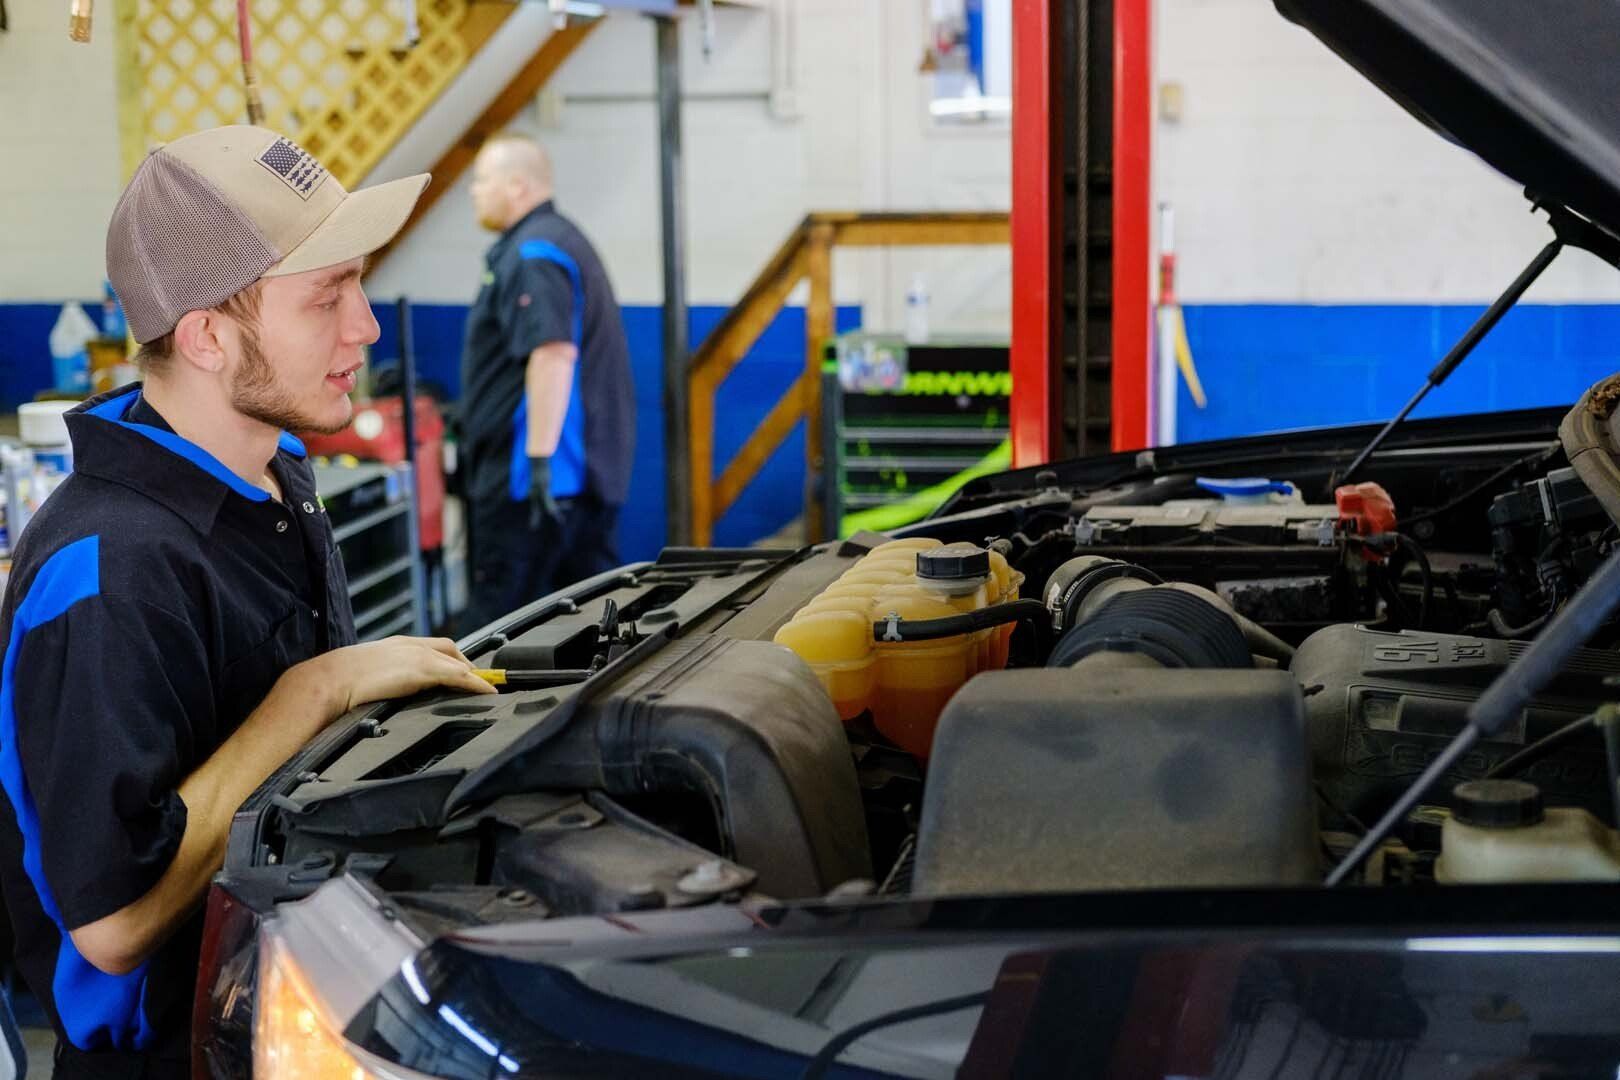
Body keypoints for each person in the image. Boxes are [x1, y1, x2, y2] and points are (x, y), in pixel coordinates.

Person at [0, 126, 497, 1076]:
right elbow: (111, 926)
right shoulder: (108, 571)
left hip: (286, 1012)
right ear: (208, 336)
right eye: (326, 297)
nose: (368, 327)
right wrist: (313, 694)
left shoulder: (275, 475)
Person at [458, 132, 634, 632]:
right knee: (582, 625)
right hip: (570, 482)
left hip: (535, 489)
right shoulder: (558, 239)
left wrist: (538, 464)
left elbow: (553, 354)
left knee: (494, 628)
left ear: (516, 186)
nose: (473, 191)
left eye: (482, 180)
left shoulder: (536, 252)